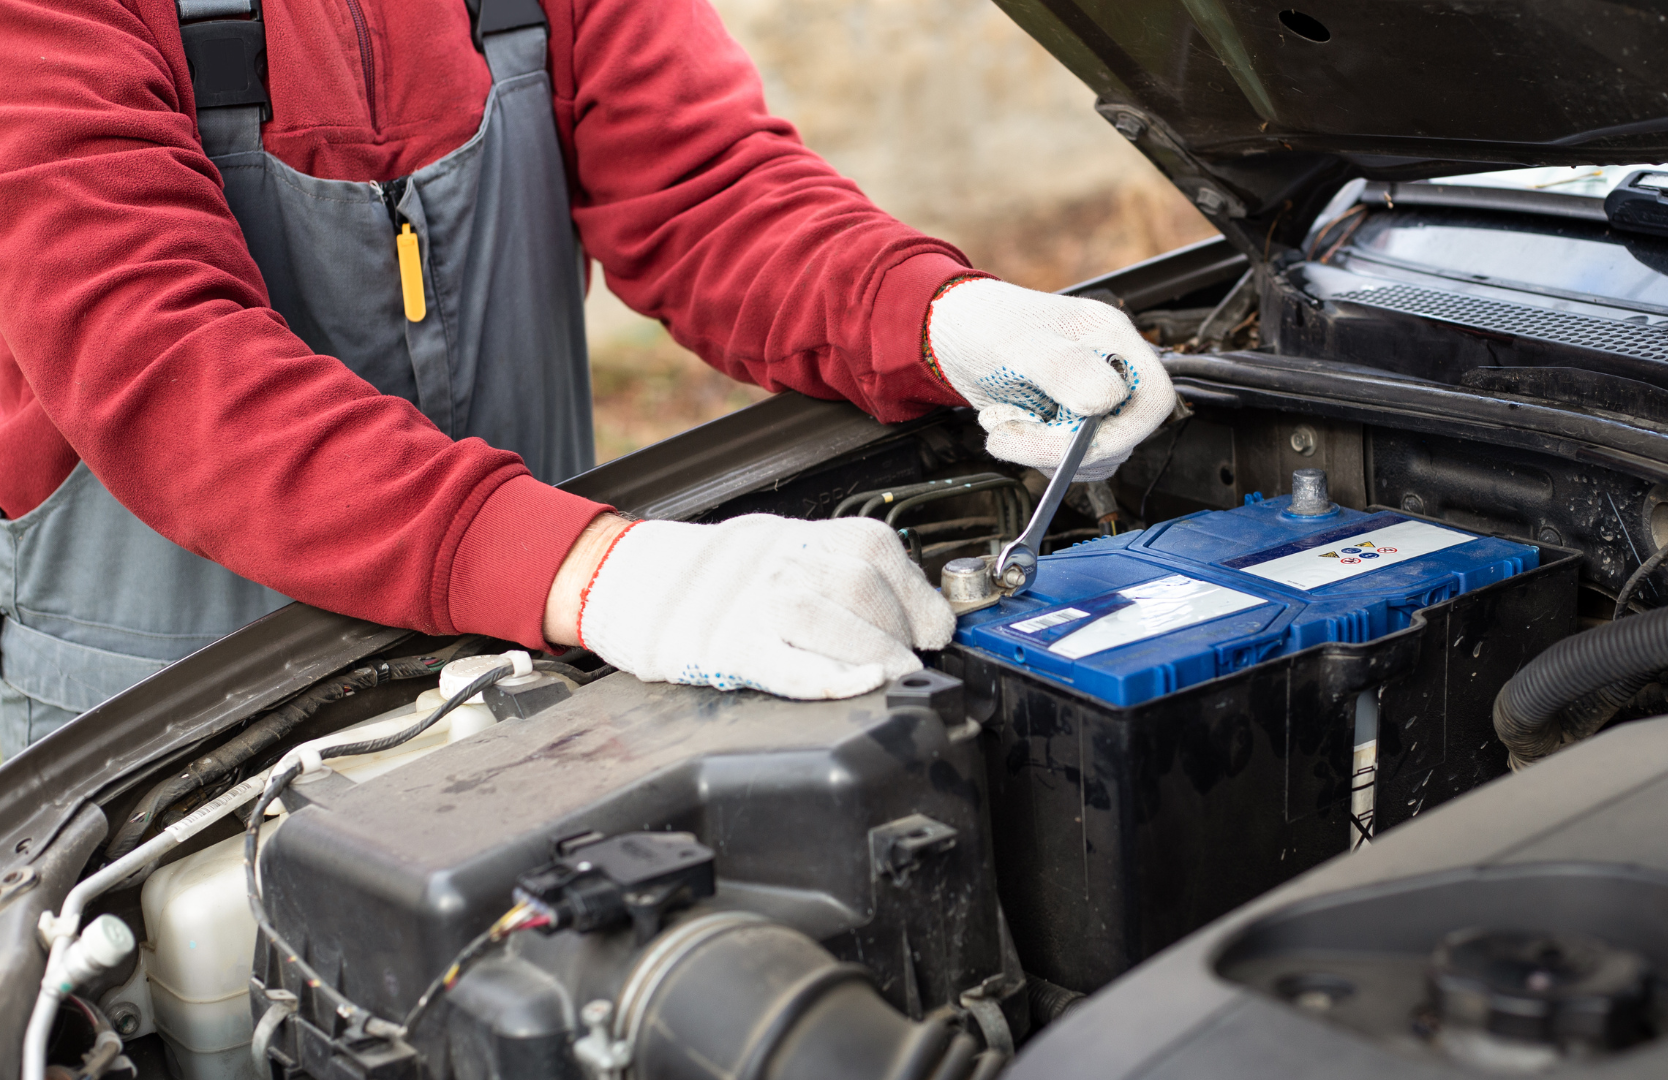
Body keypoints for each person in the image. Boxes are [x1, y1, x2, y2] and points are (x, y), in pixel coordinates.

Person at [0, 0, 1173, 755]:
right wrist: (601, 570)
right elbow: (159, 356)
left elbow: (707, 189)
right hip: (160, 731)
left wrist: (936, 316)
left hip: (532, 652)